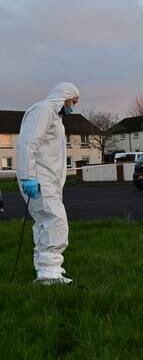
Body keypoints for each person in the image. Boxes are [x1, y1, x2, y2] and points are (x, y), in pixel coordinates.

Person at [16, 82, 80, 285]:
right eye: (73, 101)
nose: (72, 106)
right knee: (55, 222)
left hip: (47, 180)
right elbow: (28, 143)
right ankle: (48, 274)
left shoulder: (55, 117)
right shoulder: (43, 110)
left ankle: (48, 269)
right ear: (65, 96)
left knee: (46, 223)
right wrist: (28, 176)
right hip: (38, 179)